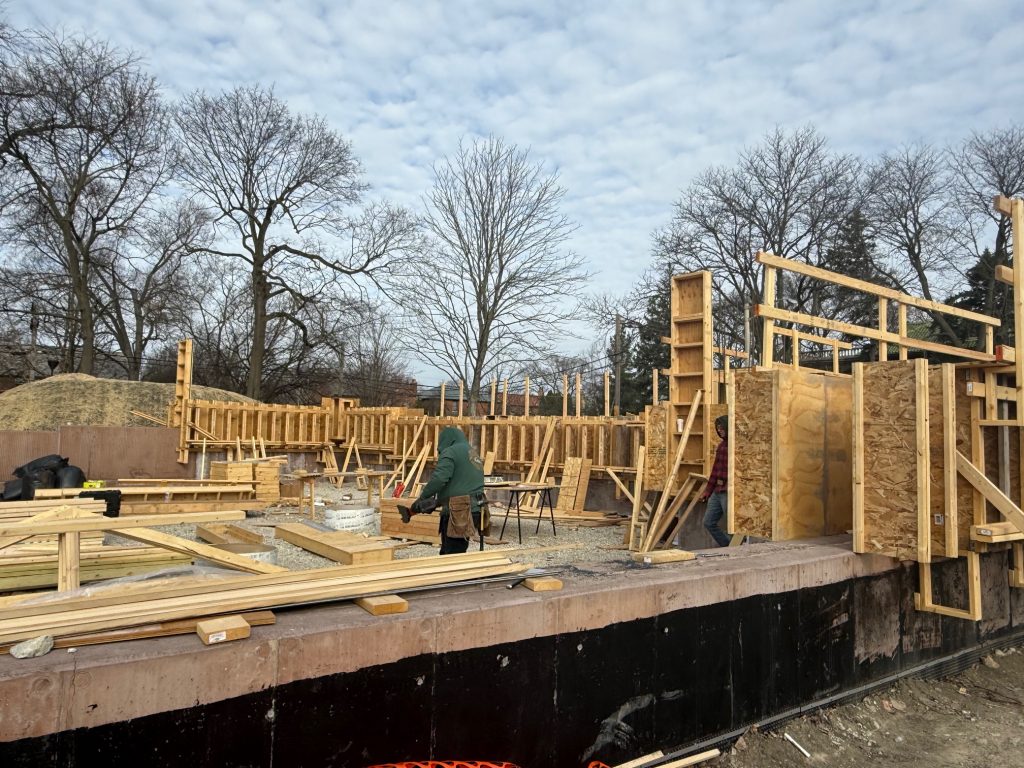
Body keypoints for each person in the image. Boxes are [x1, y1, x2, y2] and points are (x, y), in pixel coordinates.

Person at [414, 427, 487, 554]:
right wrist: (439, 501)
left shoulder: (450, 452)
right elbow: (461, 481)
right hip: (476, 507)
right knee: (457, 549)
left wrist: (422, 498)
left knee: (451, 554)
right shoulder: (471, 452)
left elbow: (439, 479)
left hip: (459, 510)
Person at [699, 415, 731, 547]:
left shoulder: (736, 447)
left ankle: (734, 549)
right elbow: (715, 470)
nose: (719, 430)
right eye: (718, 428)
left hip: (728, 491)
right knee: (708, 522)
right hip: (717, 491)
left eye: (722, 427)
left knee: (732, 525)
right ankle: (729, 546)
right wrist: (708, 490)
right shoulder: (721, 446)